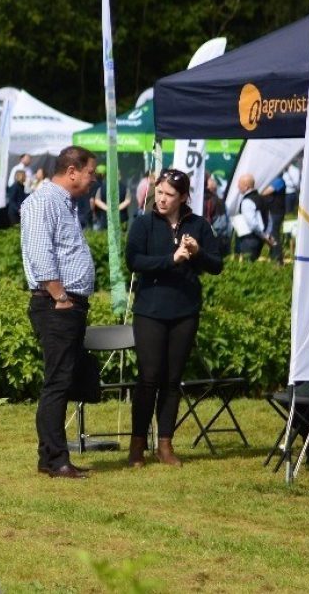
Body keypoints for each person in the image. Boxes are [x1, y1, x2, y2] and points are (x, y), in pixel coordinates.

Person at [124, 168, 224, 467]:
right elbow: (134, 261)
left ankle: (165, 444)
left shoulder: (198, 225)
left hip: (184, 311)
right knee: (148, 378)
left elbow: (217, 265)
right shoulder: (143, 224)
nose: (162, 198)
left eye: (169, 194)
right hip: (150, 311)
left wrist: (197, 253)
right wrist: (171, 259)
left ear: (183, 197)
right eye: (159, 191)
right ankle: (137, 444)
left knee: (172, 380)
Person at [19, 145, 99, 479]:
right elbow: (40, 252)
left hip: (65, 305)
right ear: (72, 171)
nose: (93, 180)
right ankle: (55, 458)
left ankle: (49, 457)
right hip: (56, 305)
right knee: (58, 383)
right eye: (90, 173)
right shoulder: (44, 201)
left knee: (65, 379)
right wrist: (60, 296)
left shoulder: (64, 204)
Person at [235, 174, 274, 261]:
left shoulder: (247, 201)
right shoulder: (263, 198)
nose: (238, 187)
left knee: (246, 265)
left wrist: (264, 236)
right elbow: (270, 220)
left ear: (246, 187)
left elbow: (252, 223)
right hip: (260, 239)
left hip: (249, 238)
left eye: (240, 184)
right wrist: (266, 235)